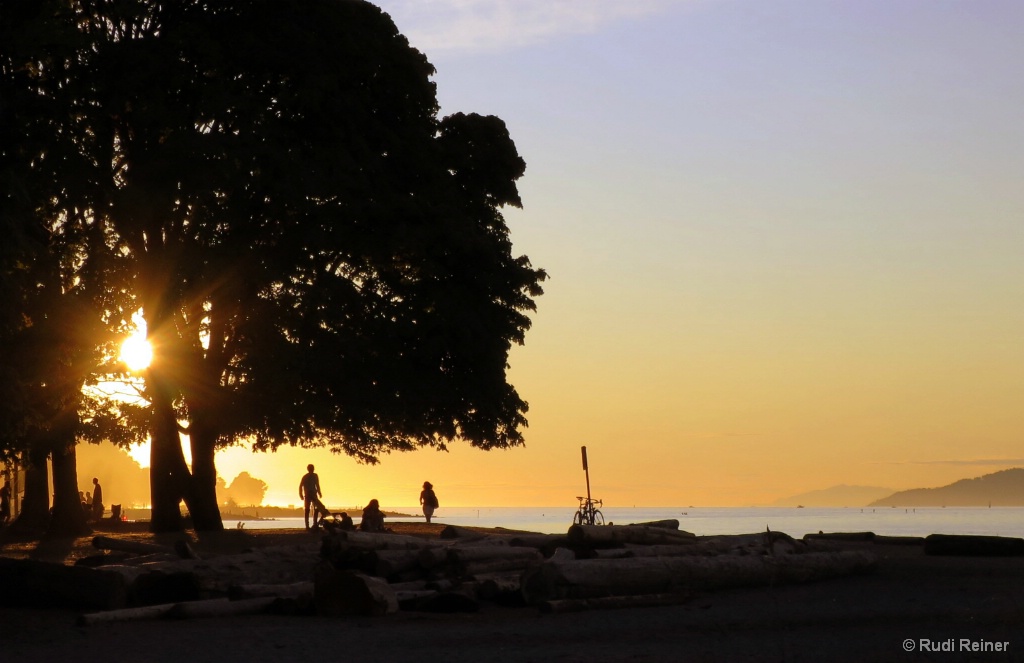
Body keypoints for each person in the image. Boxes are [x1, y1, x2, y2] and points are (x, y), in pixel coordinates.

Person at [299, 464, 326, 530]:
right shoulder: (305, 476)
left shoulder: (315, 476)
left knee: (316, 509)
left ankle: (314, 524)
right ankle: (307, 525)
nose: (312, 469)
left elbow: (317, 485)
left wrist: (319, 492)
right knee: (307, 510)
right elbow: (301, 486)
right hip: (308, 494)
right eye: (311, 468)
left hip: (313, 494)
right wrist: (301, 495)